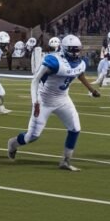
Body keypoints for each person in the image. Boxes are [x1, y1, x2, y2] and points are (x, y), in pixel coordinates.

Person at [6, 35, 100, 171]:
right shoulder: (54, 61)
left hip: (63, 99)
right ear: (65, 49)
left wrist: (92, 90)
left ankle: (66, 161)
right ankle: (13, 143)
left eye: (77, 49)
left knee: (75, 128)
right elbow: (35, 80)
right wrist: (35, 101)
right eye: (73, 50)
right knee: (32, 136)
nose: (76, 53)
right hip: (44, 101)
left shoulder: (80, 63)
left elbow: (80, 75)